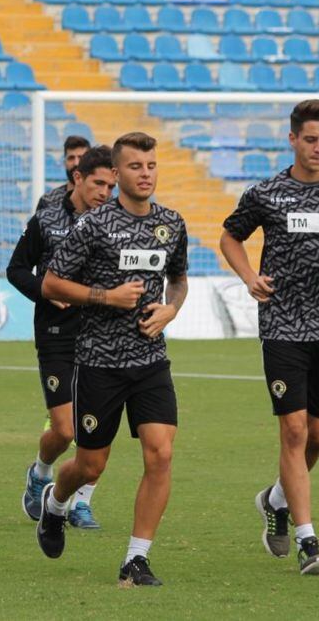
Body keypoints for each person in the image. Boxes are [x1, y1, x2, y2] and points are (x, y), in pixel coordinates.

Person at [220, 100, 319, 576]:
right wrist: (249, 275)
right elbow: (230, 236)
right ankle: (310, 543)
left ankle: (274, 498)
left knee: (318, 435)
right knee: (293, 430)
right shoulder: (267, 192)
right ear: (293, 139)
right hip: (283, 324)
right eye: (310, 139)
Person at [37, 133, 188, 588]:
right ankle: (55, 503)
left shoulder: (171, 223)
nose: (146, 173)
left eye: (152, 165)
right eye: (136, 166)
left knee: (160, 454)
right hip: (99, 361)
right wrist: (107, 296)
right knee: (90, 466)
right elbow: (51, 283)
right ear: (118, 173)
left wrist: (171, 309)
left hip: (150, 360)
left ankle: (135, 560)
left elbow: (178, 279)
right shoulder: (94, 225)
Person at [7, 146, 115, 530]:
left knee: (97, 426)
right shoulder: (46, 219)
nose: (105, 192)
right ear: (78, 179)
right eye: (98, 183)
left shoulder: (117, 222)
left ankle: (81, 501)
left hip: (103, 334)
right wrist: (46, 290)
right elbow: (16, 269)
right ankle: (40, 472)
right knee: (65, 430)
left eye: (110, 185)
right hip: (56, 333)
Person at [36, 135, 92, 211]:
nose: (76, 163)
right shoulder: (48, 201)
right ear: (64, 163)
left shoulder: (101, 201)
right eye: (71, 158)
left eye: (81, 157)